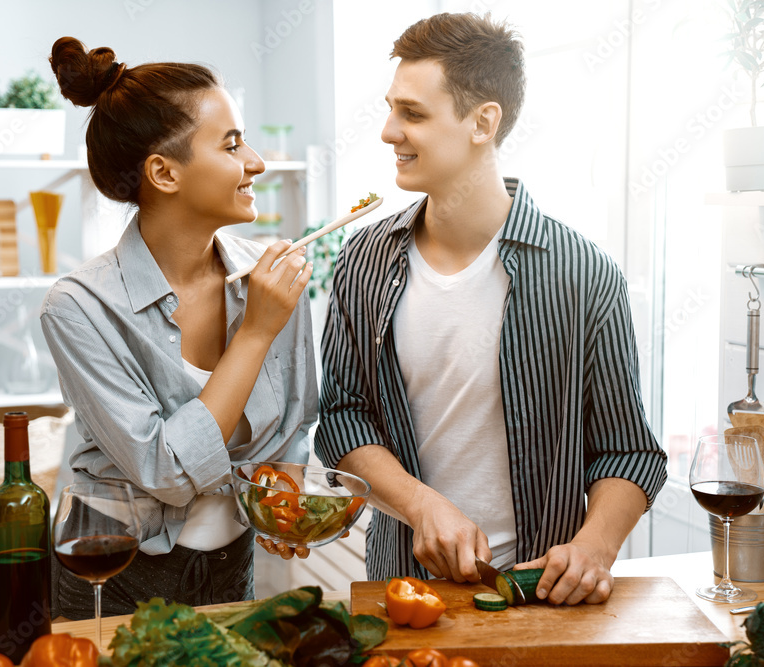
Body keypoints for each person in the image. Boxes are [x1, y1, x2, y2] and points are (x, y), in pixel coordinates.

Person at [315, 13, 668, 606]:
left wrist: (595, 546)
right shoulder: (362, 261)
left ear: (484, 122)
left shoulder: (583, 273)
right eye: (391, 108)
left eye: (413, 113)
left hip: (542, 597)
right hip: (399, 591)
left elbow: (627, 450)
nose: (387, 131)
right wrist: (421, 505)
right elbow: (345, 417)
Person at [41, 37, 316, 620]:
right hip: (114, 572)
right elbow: (164, 471)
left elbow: (294, 420)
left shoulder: (264, 277)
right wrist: (256, 334)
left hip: (231, 567)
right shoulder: (78, 307)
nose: (257, 164)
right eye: (233, 144)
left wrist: (283, 493)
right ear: (163, 172)